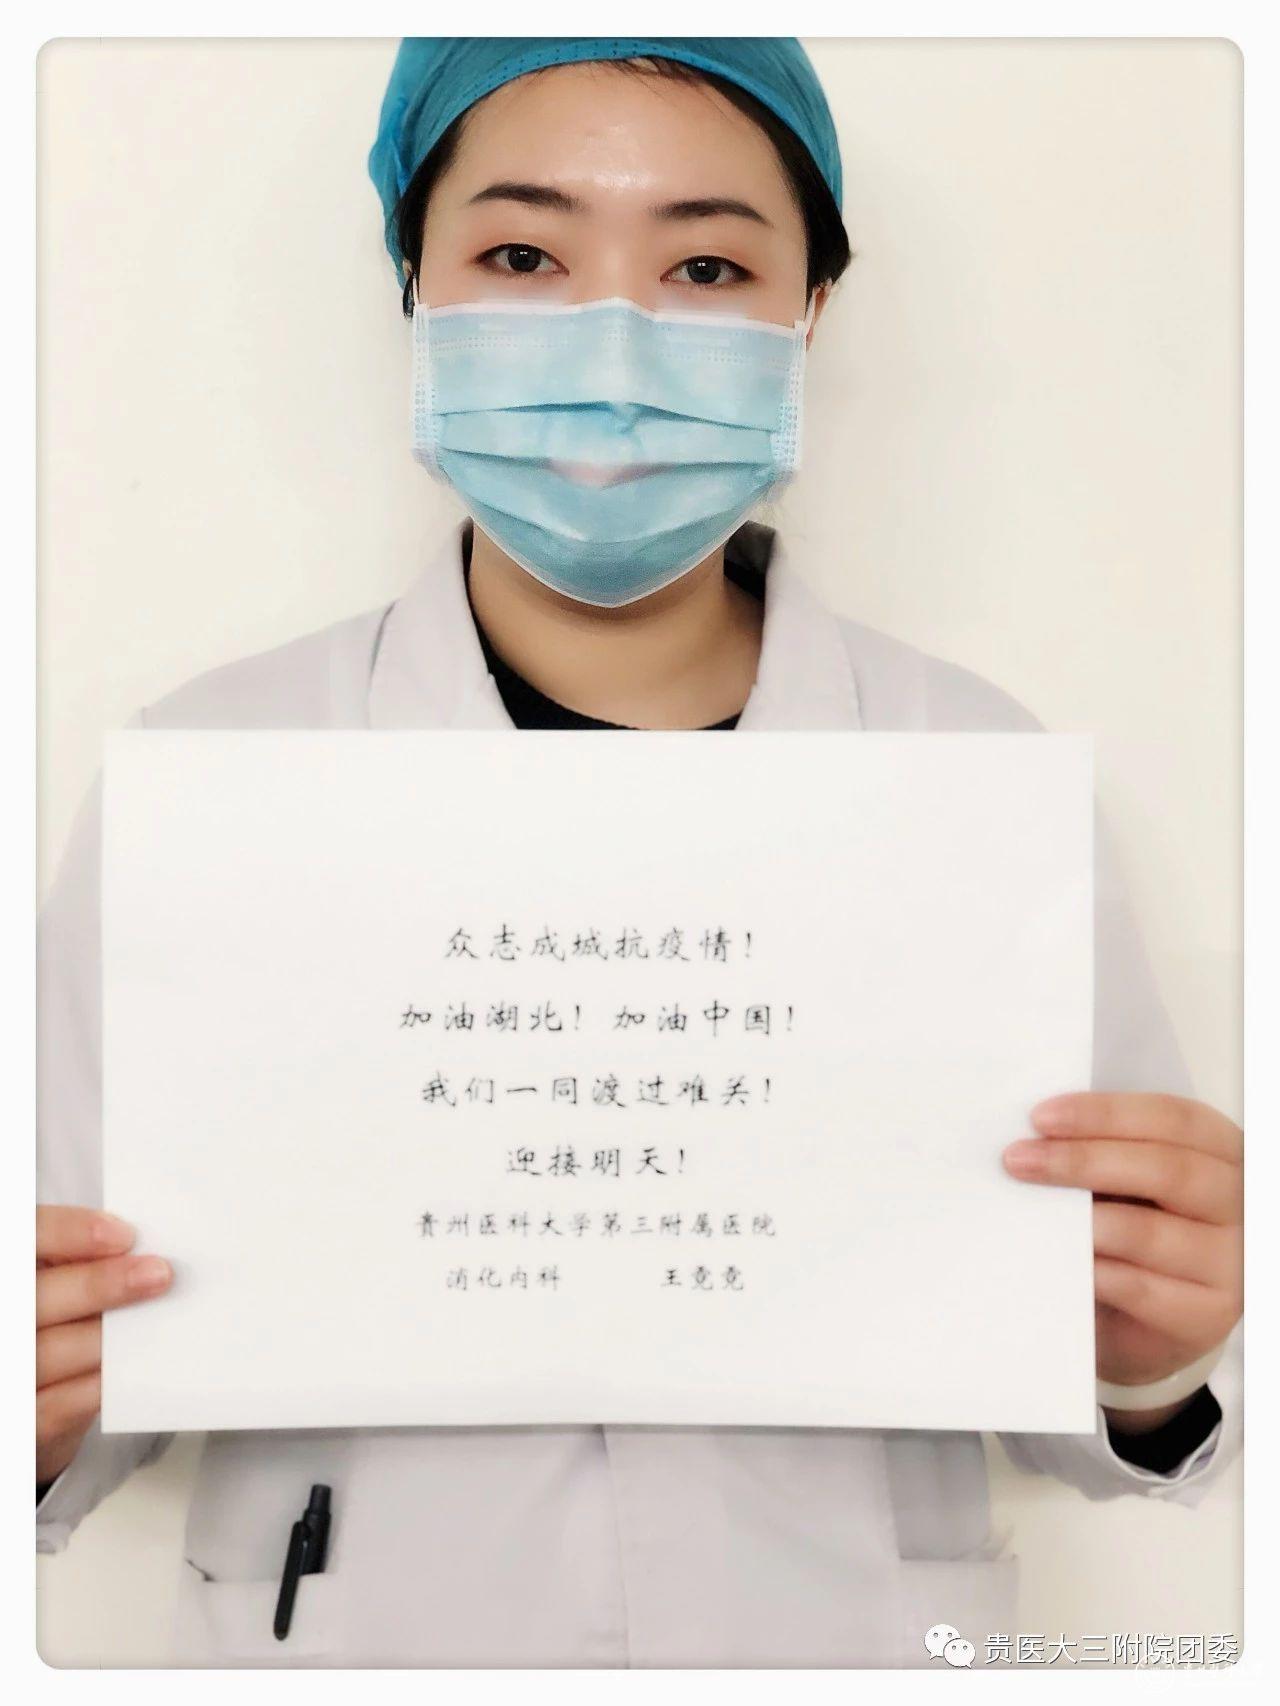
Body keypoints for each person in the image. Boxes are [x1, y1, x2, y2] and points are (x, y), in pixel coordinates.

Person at [36, 37, 1242, 1668]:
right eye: (523, 256)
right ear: (414, 291)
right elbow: (94, 1359)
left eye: (708, 266)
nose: (614, 344)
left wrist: (1154, 1358)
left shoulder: (973, 779)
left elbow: (1085, 1365)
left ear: (813, 309)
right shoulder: (212, 777)